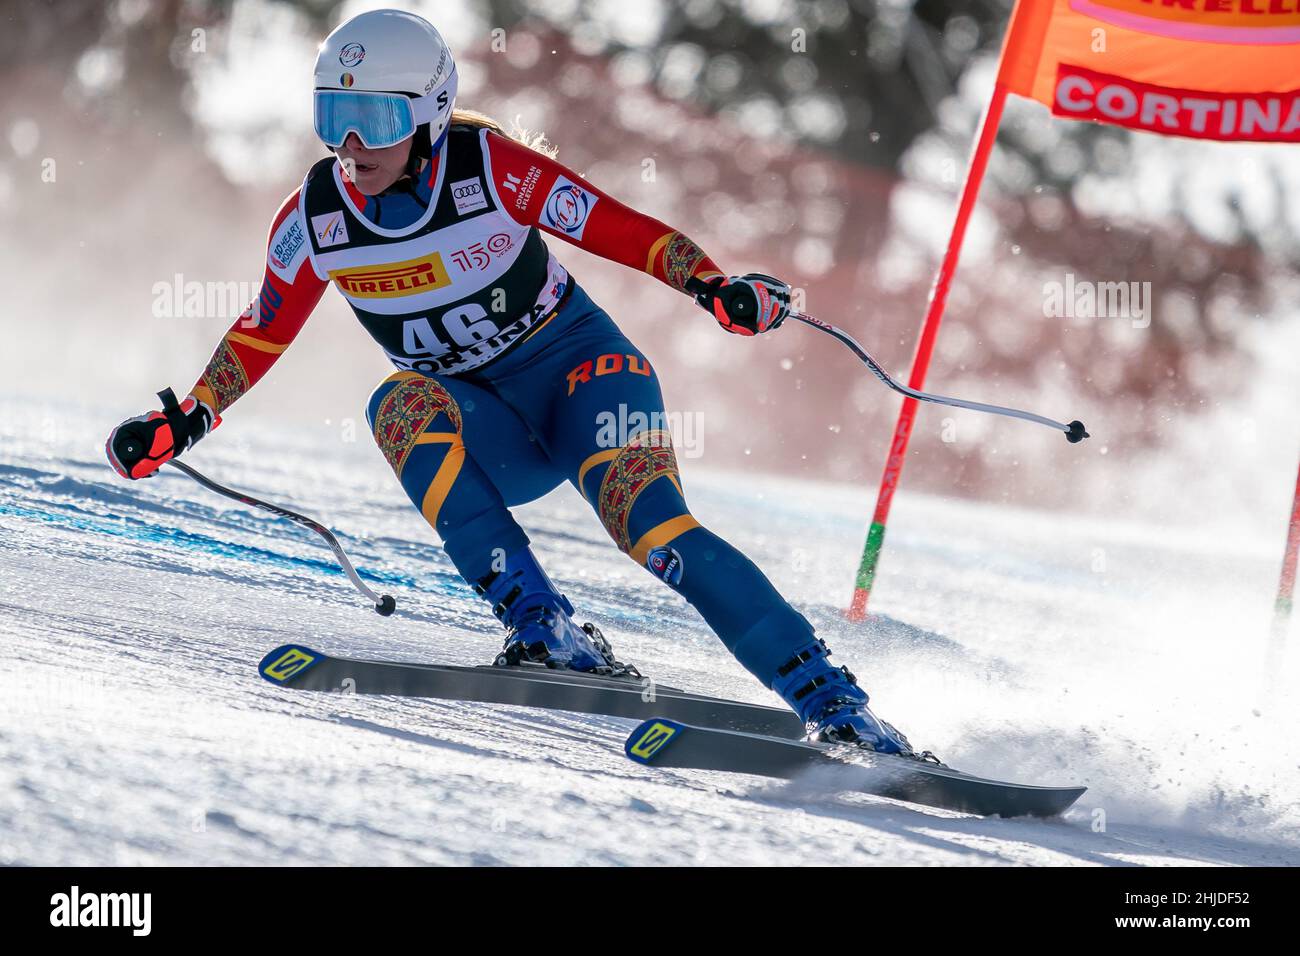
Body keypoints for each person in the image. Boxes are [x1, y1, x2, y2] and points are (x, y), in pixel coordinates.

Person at [106, 8, 914, 753]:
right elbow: (261, 330)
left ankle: (834, 703)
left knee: (655, 533)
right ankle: (544, 624)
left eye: (375, 120)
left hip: (587, 385)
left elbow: (619, 227)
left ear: (428, 114)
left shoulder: (490, 168)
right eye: (333, 120)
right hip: (492, 432)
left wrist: (713, 286)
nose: (351, 146)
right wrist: (189, 418)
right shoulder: (315, 218)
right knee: (397, 404)